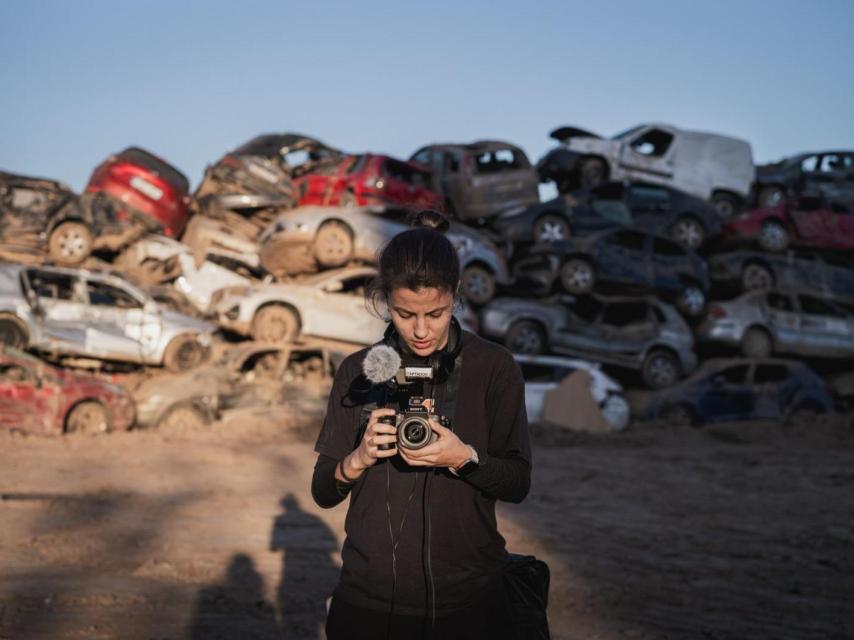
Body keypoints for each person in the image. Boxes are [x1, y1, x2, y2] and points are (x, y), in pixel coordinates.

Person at [311, 210, 532, 640]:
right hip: (368, 601)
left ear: (456, 295)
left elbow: (518, 483)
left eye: (436, 313)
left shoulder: (495, 368)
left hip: (470, 602)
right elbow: (322, 491)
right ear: (385, 300)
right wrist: (355, 460)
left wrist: (464, 458)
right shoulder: (359, 371)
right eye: (404, 313)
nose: (420, 331)